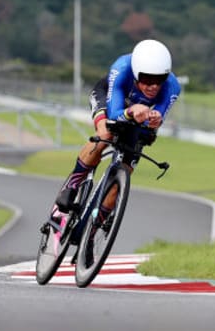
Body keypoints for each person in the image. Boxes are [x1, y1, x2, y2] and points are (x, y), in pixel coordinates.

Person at [51, 38, 182, 221]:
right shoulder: (121, 67)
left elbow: (156, 121)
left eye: (159, 80)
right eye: (147, 79)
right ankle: (72, 186)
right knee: (105, 133)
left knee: (127, 168)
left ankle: (93, 228)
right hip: (109, 99)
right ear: (136, 74)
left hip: (136, 114)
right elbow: (114, 115)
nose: (153, 86)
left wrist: (154, 121)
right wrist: (130, 112)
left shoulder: (173, 86)